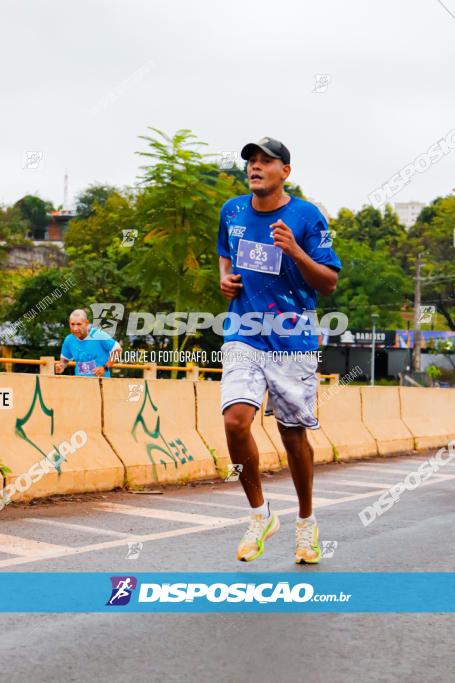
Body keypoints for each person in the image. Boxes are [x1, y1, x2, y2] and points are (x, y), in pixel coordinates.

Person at [217, 137, 341, 563]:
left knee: (292, 434)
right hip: (244, 332)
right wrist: (226, 279)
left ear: (284, 171)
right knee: (235, 421)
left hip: (292, 338)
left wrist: (294, 250)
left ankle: (306, 523)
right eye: (251, 160)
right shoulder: (231, 211)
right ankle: (260, 514)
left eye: (265, 161)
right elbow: (224, 255)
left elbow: (328, 282)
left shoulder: (306, 216)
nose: (255, 167)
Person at [55, 309, 121, 377]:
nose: (75, 328)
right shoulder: (69, 340)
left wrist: (105, 368)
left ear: (86, 323)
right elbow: (65, 359)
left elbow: (118, 350)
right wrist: (61, 366)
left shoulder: (99, 335)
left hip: (101, 383)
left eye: (79, 324)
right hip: (80, 383)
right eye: (72, 324)